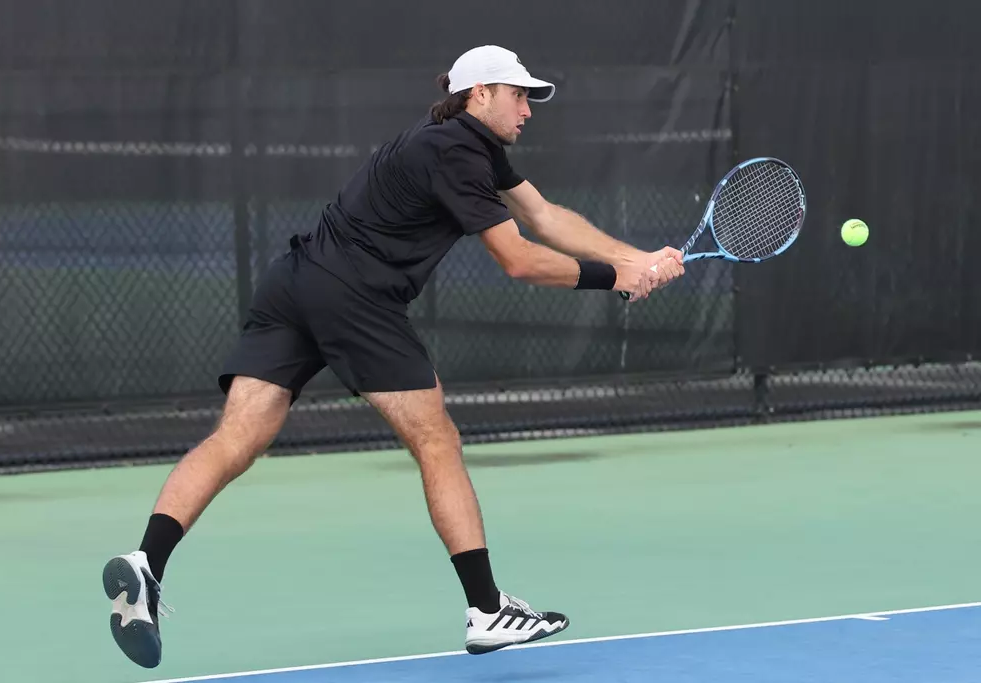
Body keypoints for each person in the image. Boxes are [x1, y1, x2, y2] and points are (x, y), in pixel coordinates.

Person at [101, 44, 685, 669]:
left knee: (238, 436)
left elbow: (545, 217)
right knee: (438, 441)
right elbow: (518, 258)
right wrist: (608, 280)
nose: (528, 109)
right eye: (518, 95)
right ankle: (487, 610)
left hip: (295, 281)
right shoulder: (459, 150)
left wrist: (635, 260)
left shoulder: (455, 145)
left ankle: (146, 564)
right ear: (478, 94)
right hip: (357, 297)